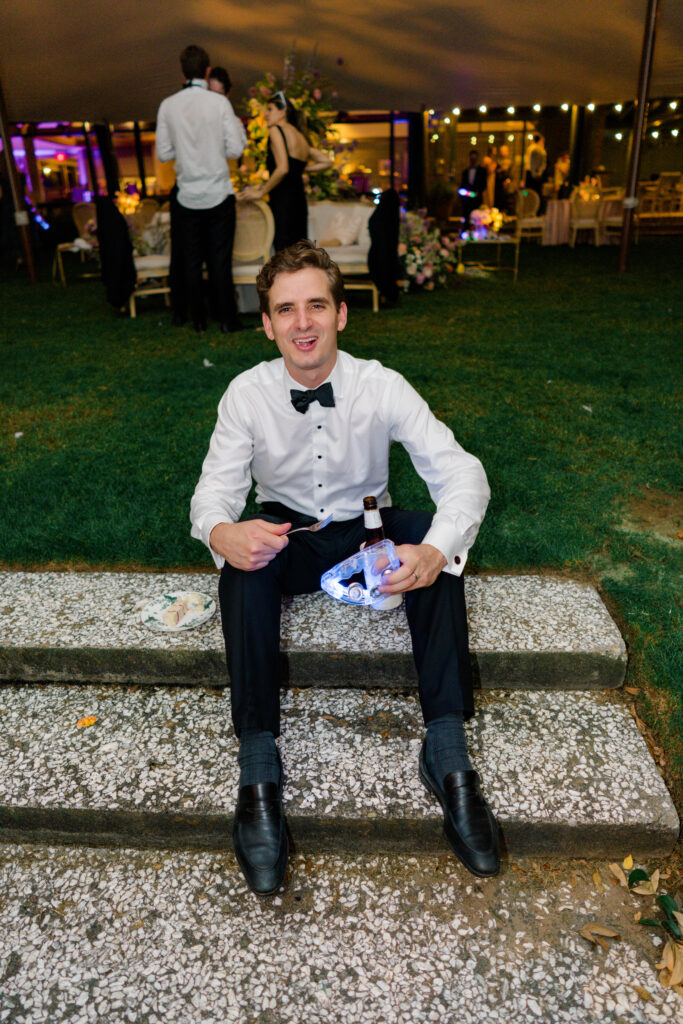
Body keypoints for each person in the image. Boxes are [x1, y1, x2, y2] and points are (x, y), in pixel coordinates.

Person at [190, 240, 500, 895]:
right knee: (240, 568)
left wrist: (435, 548)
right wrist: (223, 530)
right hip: (290, 537)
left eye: (316, 306)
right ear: (266, 324)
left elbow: (460, 472)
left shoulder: (380, 385)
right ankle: (257, 771)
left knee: (436, 547)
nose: (303, 323)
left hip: (369, 534)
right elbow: (212, 494)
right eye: (286, 310)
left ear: (341, 314)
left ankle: (446, 753)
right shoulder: (245, 395)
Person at [155, 45, 247, 333]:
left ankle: (198, 320)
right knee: (220, 261)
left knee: (192, 262)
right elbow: (237, 147)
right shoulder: (219, 104)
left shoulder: (168, 105)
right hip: (219, 194)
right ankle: (226, 319)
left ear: (182, 71)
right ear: (207, 71)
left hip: (187, 196)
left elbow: (164, 153)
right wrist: (212, 146)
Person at [238, 91, 332, 252]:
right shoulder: (300, 136)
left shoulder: (276, 130)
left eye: (270, 109)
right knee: (298, 255)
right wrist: (303, 170)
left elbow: (283, 168)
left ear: (283, 112)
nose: (266, 114)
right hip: (299, 202)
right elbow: (327, 161)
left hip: (283, 201)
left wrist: (261, 192)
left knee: (283, 256)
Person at [458, 149, 487, 225]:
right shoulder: (465, 171)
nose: (473, 160)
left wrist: (477, 192)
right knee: (467, 218)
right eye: (471, 158)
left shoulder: (482, 171)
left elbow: (484, 185)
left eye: (474, 158)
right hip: (467, 200)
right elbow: (462, 185)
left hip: (477, 199)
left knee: (477, 219)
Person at [525, 133, 547, 201]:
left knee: (529, 191)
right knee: (537, 192)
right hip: (537, 174)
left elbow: (530, 163)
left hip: (531, 173)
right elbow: (543, 164)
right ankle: (538, 208)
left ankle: (528, 205)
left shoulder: (532, 148)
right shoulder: (542, 150)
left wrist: (533, 174)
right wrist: (539, 173)